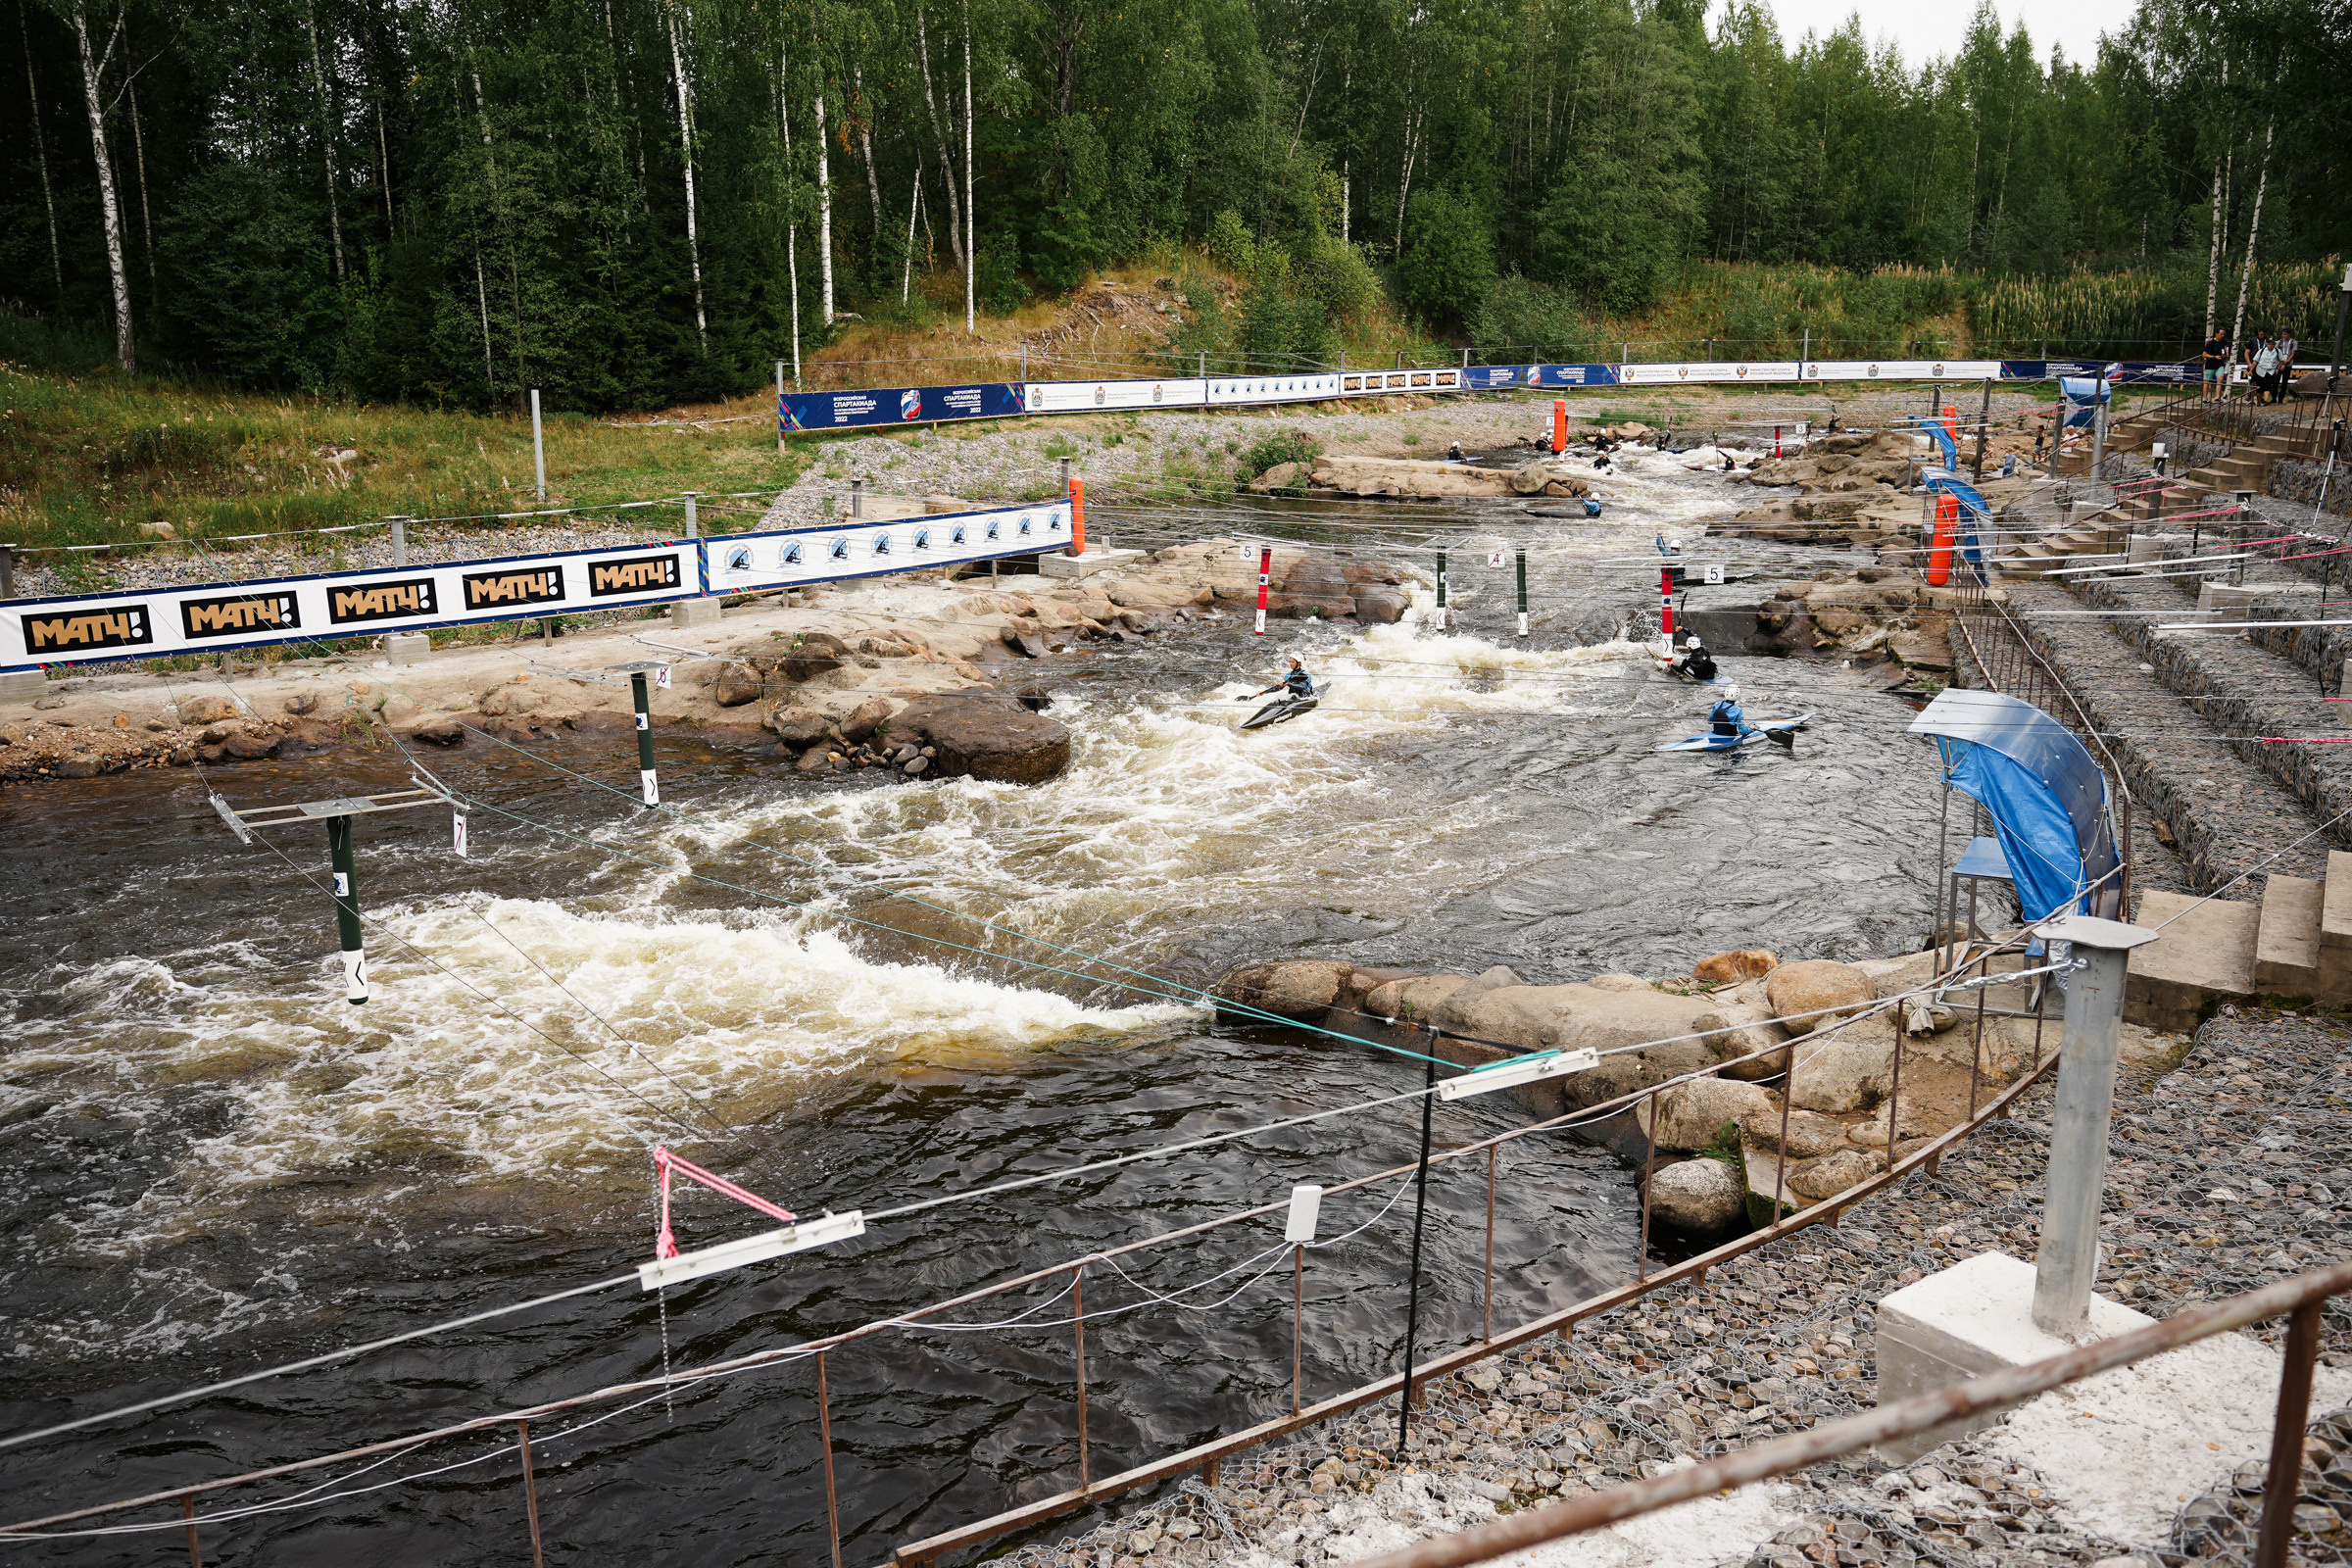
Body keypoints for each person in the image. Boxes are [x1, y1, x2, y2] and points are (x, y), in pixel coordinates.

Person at [2202, 327, 2230, 402]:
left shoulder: (2224, 342)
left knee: (2220, 379)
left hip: (2220, 364)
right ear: (2216, 334)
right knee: (2208, 380)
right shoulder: (2210, 343)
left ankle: (2218, 397)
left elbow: (2226, 353)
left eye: (2223, 334)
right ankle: (2205, 397)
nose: (2222, 336)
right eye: (2221, 334)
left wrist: (2226, 355)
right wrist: (2214, 357)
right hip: (2210, 364)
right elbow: (2204, 355)